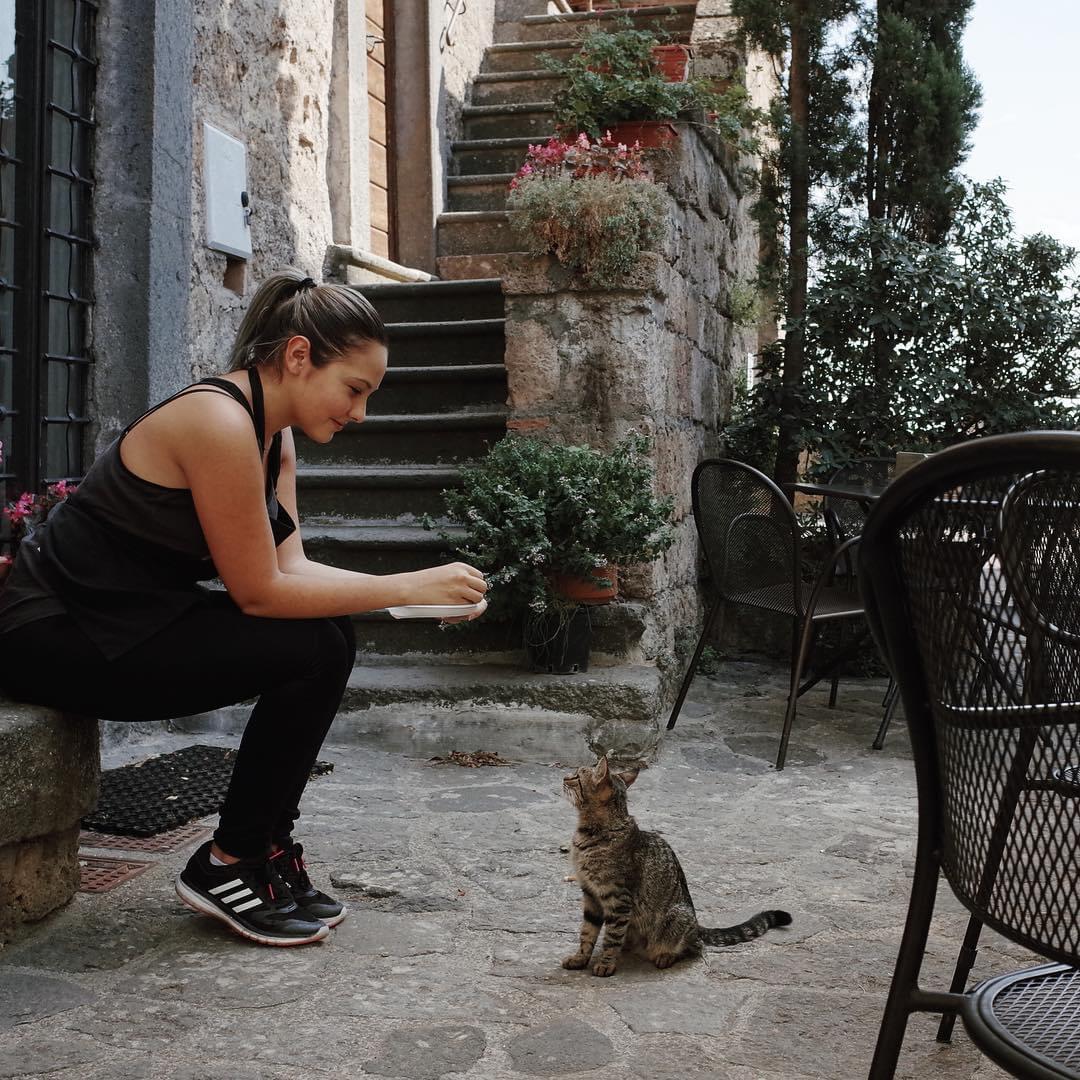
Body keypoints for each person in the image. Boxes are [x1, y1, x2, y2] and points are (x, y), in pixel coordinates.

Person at [0, 270, 488, 947]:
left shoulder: (272, 436)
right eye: (354, 388)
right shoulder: (218, 421)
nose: (361, 414)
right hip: (52, 634)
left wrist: (414, 597)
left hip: (129, 623)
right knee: (313, 648)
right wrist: (406, 586)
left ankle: (258, 849)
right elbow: (257, 592)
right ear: (296, 356)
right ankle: (229, 861)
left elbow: (290, 570)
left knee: (328, 637)